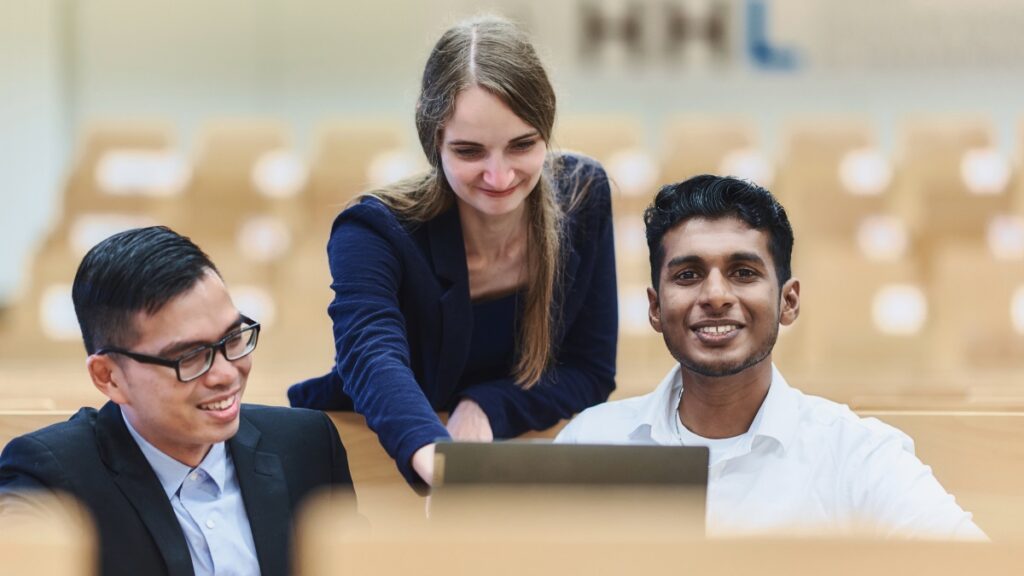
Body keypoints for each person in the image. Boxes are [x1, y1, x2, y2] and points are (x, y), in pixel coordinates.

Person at [556, 175, 985, 539]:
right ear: (654, 307)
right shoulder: (590, 443)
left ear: (789, 300)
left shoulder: (859, 455)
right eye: (688, 275)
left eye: (743, 273)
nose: (716, 296)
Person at [288, 16, 618, 485]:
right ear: (434, 142)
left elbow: (589, 372)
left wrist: (485, 406)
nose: (499, 177)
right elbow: (371, 355)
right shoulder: (373, 230)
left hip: (510, 465)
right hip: (371, 461)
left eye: (522, 145)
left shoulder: (583, 195)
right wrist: (439, 459)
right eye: (469, 152)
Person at [0, 226, 355, 576]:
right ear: (109, 376)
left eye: (233, 339)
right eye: (190, 357)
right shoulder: (50, 477)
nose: (226, 374)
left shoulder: (308, 446)